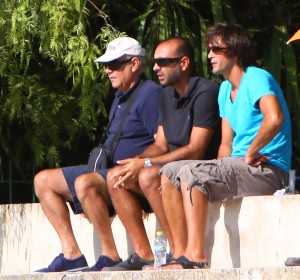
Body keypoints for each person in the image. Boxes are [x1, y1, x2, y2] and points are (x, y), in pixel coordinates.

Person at [157, 23, 292, 270]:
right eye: (209, 49)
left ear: (236, 52)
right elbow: (226, 144)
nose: (209, 55)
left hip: (268, 168)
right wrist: (216, 168)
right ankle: (179, 253)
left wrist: (251, 151)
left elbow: (274, 118)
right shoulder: (224, 90)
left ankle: (195, 256)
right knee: (169, 172)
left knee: (192, 172)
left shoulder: (258, 78)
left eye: (216, 49)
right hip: (238, 165)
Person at [34, 37, 162, 272]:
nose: (107, 70)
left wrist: (139, 160)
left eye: (114, 65)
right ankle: (71, 253)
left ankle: (109, 255)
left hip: (128, 173)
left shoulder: (150, 94)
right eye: (106, 65)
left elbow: (161, 143)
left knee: (85, 182)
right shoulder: (119, 96)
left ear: (135, 64)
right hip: (106, 169)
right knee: (43, 181)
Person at [103, 36, 221, 271]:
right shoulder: (167, 94)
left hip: (196, 169)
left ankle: (178, 253)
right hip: (170, 167)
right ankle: (144, 254)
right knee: (116, 176)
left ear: (184, 63)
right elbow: (161, 143)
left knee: (148, 175)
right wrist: (135, 162)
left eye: (163, 61)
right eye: (155, 61)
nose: (155, 67)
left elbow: (196, 149)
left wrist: (146, 163)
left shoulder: (205, 91)